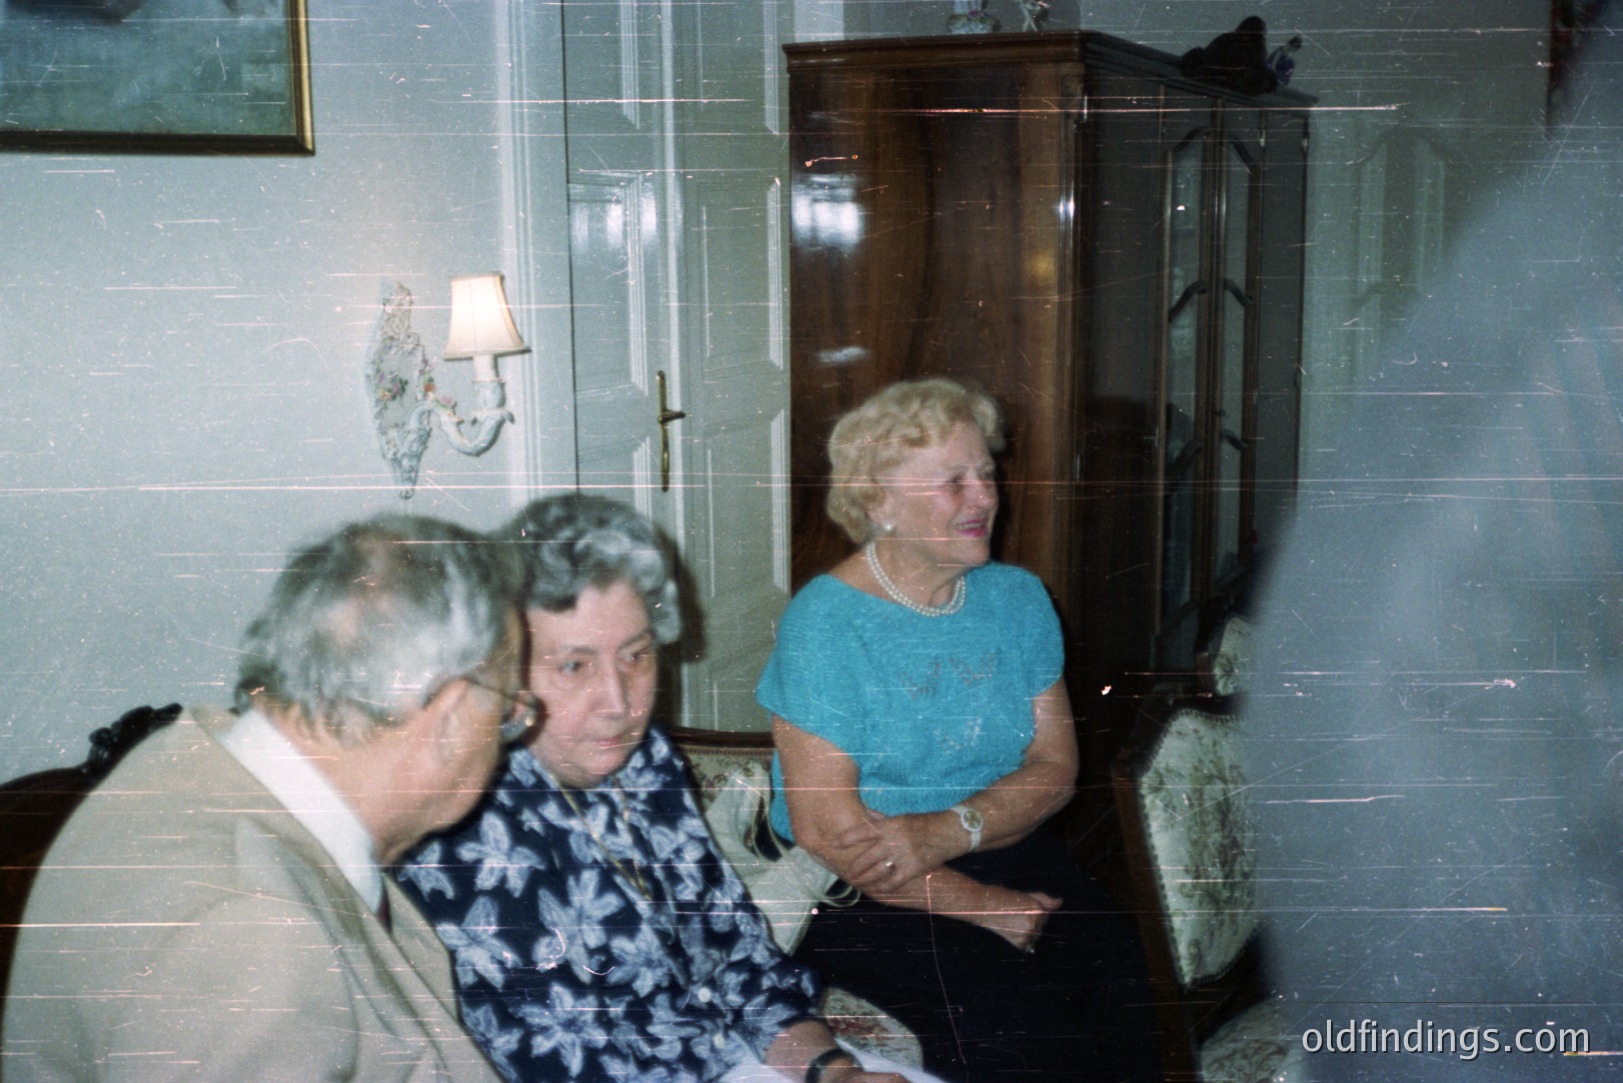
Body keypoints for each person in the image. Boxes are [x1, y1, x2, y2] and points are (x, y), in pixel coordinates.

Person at [398, 494, 937, 1083]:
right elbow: (567, 1062)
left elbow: (739, 955)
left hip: (725, 1060)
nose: (620, 702)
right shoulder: (470, 833)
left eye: (637, 655)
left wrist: (831, 1070)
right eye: (574, 666)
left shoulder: (644, 760)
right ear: (505, 670)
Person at [2, 513, 528, 1081]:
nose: (508, 736)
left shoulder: (188, 761)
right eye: (508, 715)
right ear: (447, 722)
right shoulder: (249, 935)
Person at [757, 378, 1160, 1083]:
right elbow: (833, 832)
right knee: (1017, 1034)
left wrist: (947, 830)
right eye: (952, 481)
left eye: (986, 473)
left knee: (1121, 980)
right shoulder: (825, 624)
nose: (983, 497)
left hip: (992, 844)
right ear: (878, 502)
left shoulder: (1015, 597)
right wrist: (986, 907)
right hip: (865, 895)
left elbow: (1054, 765)